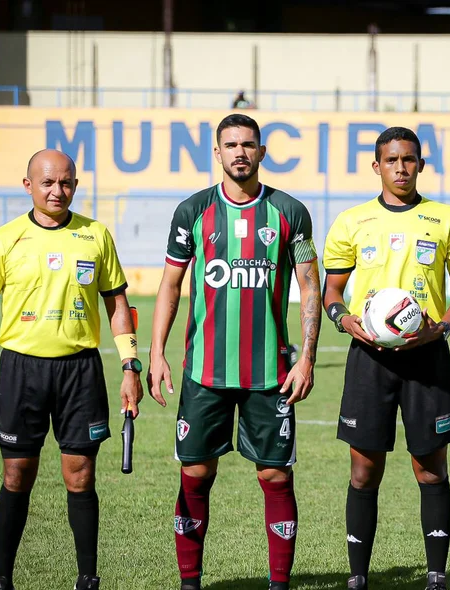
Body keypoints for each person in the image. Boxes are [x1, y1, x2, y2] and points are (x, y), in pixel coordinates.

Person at [148, 113, 321, 590]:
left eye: (249, 145)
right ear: (218, 153)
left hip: (272, 372)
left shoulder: (289, 212)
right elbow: (169, 284)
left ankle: (279, 584)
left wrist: (306, 356)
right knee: (197, 472)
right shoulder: (192, 211)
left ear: (262, 153)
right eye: (231, 145)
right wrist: (157, 351)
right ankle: (190, 582)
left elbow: (310, 287)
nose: (240, 152)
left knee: (276, 478)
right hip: (205, 370)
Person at [0, 149, 144, 590]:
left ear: (75, 186)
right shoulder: (4, 239)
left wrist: (130, 365)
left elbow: (117, 304)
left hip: (80, 371)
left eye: (65, 183)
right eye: (46, 183)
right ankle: (2, 578)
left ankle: (87, 578)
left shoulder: (95, 235)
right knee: (16, 474)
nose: (56, 191)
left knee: (80, 473)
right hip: (21, 371)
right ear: (28, 186)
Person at [322, 126, 450, 590]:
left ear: (421, 165)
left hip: (426, 356)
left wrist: (442, 326)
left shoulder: (446, 217)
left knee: (429, 465)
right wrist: (343, 318)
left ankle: (434, 574)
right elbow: (332, 289)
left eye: (409, 159)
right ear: (377, 166)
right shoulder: (353, 221)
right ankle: (358, 576)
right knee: (364, 467)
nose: (401, 168)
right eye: (392, 160)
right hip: (369, 357)